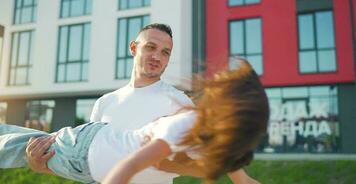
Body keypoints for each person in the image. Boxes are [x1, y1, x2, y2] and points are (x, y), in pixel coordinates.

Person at [23, 23, 259, 183]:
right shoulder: (105, 103)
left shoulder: (178, 102)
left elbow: (214, 146)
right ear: (134, 48)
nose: (158, 56)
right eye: (151, 47)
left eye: (166, 52)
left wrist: (243, 179)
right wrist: (42, 166)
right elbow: (91, 165)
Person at [0, 59, 269, 184]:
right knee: (17, 147)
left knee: (20, 141)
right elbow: (133, 163)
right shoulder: (186, 123)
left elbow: (163, 164)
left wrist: (207, 169)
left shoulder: (213, 143)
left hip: (90, 166)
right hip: (84, 151)